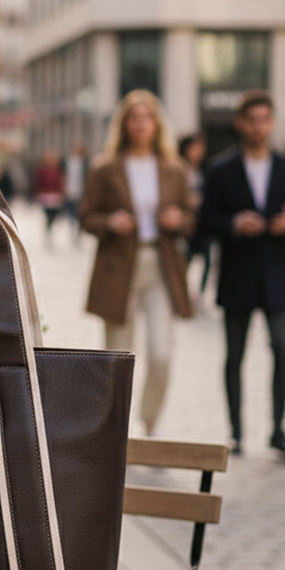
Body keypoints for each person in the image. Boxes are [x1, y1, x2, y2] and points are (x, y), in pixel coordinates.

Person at [80, 90, 194, 438]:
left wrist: (179, 219)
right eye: (134, 117)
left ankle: (150, 418)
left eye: (147, 117)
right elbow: (86, 216)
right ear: (125, 124)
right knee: (118, 353)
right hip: (119, 265)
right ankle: (115, 427)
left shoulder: (174, 168)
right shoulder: (106, 166)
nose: (141, 124)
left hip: (161, 265)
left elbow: (190, 218)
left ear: (156, 124)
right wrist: (110, 222)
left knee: (161, 351)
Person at [199, 90, 285, 457]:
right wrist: (233, 223)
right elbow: (205, 222)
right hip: (237, 274)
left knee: (282, 349)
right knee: (235, 355)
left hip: (279, 276)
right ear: (240, 123)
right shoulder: (220, 169)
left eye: (265, 120)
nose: (259, 127)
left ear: (272, 122)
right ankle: (237, 431)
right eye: (253, 120)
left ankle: (278, 429)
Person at [178, 132, 212, 302]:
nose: (199, 152)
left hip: (202, 223)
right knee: (186, 258)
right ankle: (183, 293)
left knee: (206, 259)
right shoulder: (178, 168)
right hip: (186, 223)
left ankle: (199, 295)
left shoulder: (204, 170)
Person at [32, 150, 65, 242]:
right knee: (47, 214)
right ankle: (48, 229)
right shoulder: (42, 170)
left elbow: (61, 183)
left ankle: (50, 227)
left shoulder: (58, 170)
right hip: (45, 196)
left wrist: (62, 193)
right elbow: (38, 183)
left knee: (54, 215)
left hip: (55, 196)